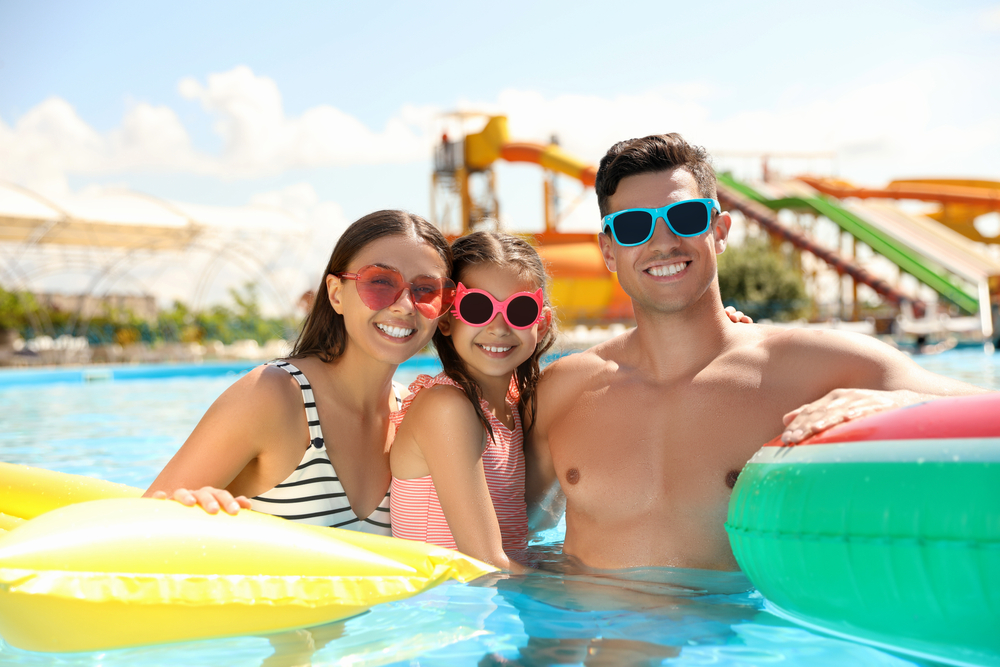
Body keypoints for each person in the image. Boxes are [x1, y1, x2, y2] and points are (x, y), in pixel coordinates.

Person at [525, 134, 990, 572]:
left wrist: (900, 404)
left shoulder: (805, 368)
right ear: (608, 249)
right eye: (631, 226)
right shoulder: (563, 391)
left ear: (720, 230)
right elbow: (506, 531)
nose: (662, 241)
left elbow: (983, 409)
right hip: (585, 645)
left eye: (684, 218)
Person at [144, 210, 456, 535]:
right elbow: (140, 530)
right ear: (336, 294)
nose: (405, 305)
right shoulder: (271, 396)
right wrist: (190, 515)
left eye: (426, 290)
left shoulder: (414, 417)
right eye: (379, 282)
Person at [388, 231, 555, 571]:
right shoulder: (446, 407)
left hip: (486, 604)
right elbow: (485, 564)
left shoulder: (511, 407)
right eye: (477, 308)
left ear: (541, 322)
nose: (498, 327)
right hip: (445, 609)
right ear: (447, 319)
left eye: (520, 310)